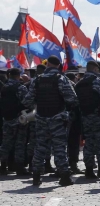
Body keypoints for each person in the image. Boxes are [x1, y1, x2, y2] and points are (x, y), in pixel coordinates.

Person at [23, 55, 79, 187]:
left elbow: (26, 100)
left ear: (47, 64)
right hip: (57, 117)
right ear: (59, 66)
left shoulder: (37, 79)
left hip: (41, 117)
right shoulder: (61, 79)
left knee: (40, 147)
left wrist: (37, 106)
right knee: (59, 147)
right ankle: (64, 176)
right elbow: (72, 99)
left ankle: (36, 176)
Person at [74, 60, 100, 179]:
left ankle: (89, 169)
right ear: (96, 69)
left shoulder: (79, 83)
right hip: (99, 116)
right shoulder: (98, 81)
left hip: (85, 116)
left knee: (89, 143)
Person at [0, 68, 29, 175]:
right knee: (19, 143)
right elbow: (27, 101)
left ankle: (3, 166)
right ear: (18, 75)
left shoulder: (4, 87)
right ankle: (19, 167)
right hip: (19, 119)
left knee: (6, 143)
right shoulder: (20, 87)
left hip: (7, 119)